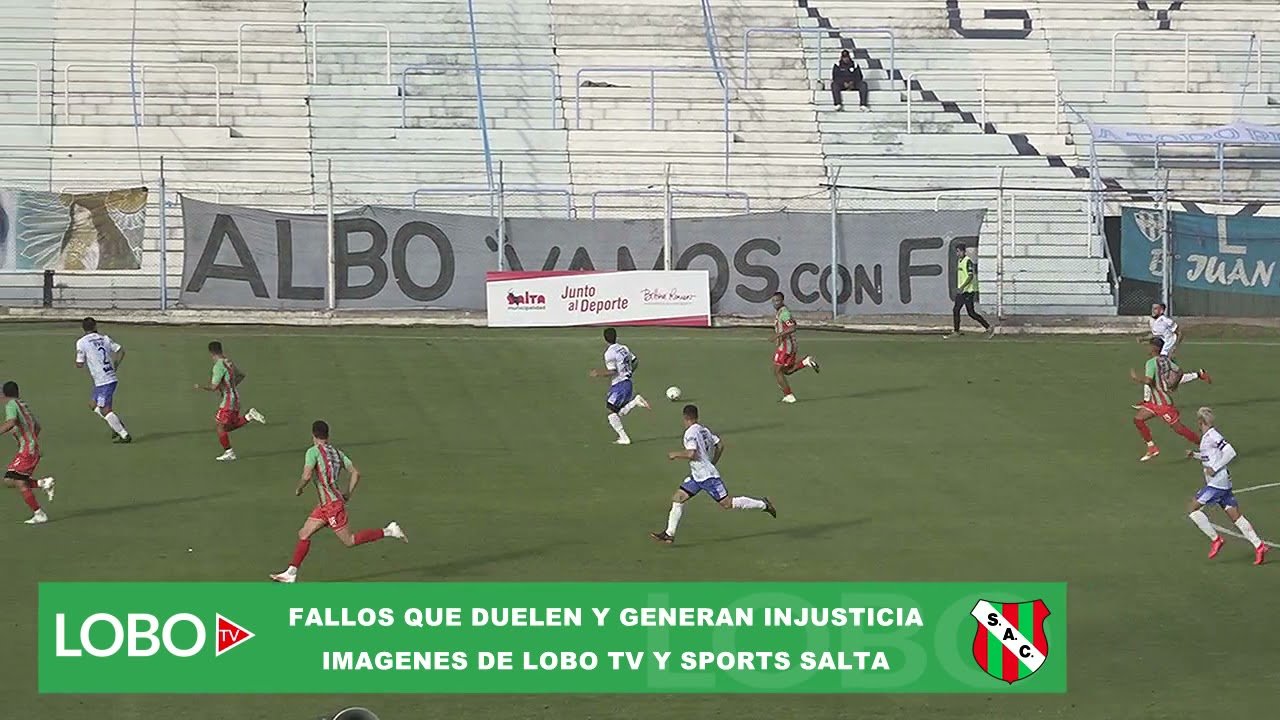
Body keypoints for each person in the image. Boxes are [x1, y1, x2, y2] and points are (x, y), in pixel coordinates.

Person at [270, 420, 407, 583]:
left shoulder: (313, 452)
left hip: (332, 506)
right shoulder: (337, 453)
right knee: (304, 533)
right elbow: (356, 473)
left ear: (313, 435)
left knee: (349, 541)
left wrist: (299, 488)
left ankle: (389, 531)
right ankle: (291, 573)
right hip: (325, 505)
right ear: (327, 435)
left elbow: (306, 476)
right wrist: (347, 493)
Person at [650, 404, 776, 544]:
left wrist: (675, 454)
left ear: (685, 417)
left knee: (727, 503)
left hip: (707, 477)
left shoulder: (690, 433)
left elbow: (691, 453)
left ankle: (763, 504)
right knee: (678, 498)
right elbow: (720, 445)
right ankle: (669, 534)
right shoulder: (704, 430)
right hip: (697, 476)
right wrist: (712, 461)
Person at [1185, 407, 1267, 566]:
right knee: (1235, 516)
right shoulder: (1208, 437)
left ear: (1200, 421)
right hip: (1222, 483)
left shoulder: (1213, 435)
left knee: (1192, 508)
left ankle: (1216, 540)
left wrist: (1215, 468)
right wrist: (1194, 455)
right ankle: (1259, 545)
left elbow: (1230, 452)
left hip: (1217, 483)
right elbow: (1210, 457)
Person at [193, 341, 265, 461]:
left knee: (220, 426)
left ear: (211, 353)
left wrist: (200, 387)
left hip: (228, 400)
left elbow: (214, 387)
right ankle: (249, 417)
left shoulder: (218, 366)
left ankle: (229, 452)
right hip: (235, 397)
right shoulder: (228, 362)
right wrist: (230, 387)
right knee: (225, 427)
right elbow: (241, 376)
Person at [1131, 337, 1200, 462]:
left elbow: (1148, 381)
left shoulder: (1151, 363)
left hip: (1163, 404)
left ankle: (1204, 445)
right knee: (1138, 419)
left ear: (1155, 348)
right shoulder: (1165, 360)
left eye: (1149, 345)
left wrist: (1137, 378)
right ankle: (1152, 448)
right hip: (1154, 403)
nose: (1147, 348)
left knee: (1179, 429)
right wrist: (1173, 385)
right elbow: (1179, 372)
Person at [0, 382, 55, 524]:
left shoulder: (11, 405)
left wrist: (27, 444)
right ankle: (43, 483)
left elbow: (11, 422)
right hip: (29, 449)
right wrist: (31, 441)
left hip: (27, 451)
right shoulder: (22, 405)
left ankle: (39, 513)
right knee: (9, 480)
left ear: (3, 394)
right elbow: (37, 426)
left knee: (17, 480)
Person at [74, 317, 131, 443]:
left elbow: (79, 363)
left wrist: (81, 361)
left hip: (104, 381)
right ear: (95, 326)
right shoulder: (105, 338)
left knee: (105, 409)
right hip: (106, 378)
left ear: (83, 328)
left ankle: (124, 435)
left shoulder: (82, 342)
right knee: (93, 404)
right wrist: (115, 364)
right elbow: (120, 351)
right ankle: (115, 424)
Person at [589, 328, 649, 445]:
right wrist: (628, 373)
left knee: (611, 412)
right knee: (616, 412)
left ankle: (624, 438)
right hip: (627, 382)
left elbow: (612, 371)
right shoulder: (624, 348)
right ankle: (635, 402)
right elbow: (635, 361)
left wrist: (598, 373)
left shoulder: (609, 353)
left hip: (620, 385)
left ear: (605, 339)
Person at [1145, 303, 1210, 390]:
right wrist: (1144, 339)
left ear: (1162, 310)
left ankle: (1155, 394)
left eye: (1156, 308)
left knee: (1164, 373)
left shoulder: (1166, 320)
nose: (1153, 310)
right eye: (1153, 308)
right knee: (1167, 374)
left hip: (1168, 349)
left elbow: (1180, 333)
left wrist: (1174, 347)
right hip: (1161, 349)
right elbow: (1157, 335)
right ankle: (1199, 374)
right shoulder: (1151, 321)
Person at [771, 292, 819, 404]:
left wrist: (778, 335)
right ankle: (805, 361)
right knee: (787, 371)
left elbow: (792, 327)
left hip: (786, 347)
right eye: (773, 301)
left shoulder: (784, 313)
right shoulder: (781, 312)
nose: (775, 303)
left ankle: (789, 395)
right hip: (786, 345)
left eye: (777, 300)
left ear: (782, 301)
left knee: (777, 371)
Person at [947, 244, 993, 338]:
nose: (957, 253)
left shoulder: (967, 261)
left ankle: (988, 327)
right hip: (963, 291)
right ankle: (957, 331)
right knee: (958, 310)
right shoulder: (960, 261)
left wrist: (962, 287)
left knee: (969, 312)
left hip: (968, 291)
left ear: (963, 251)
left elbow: (970, 276)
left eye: (959, 251)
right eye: (957, 251)